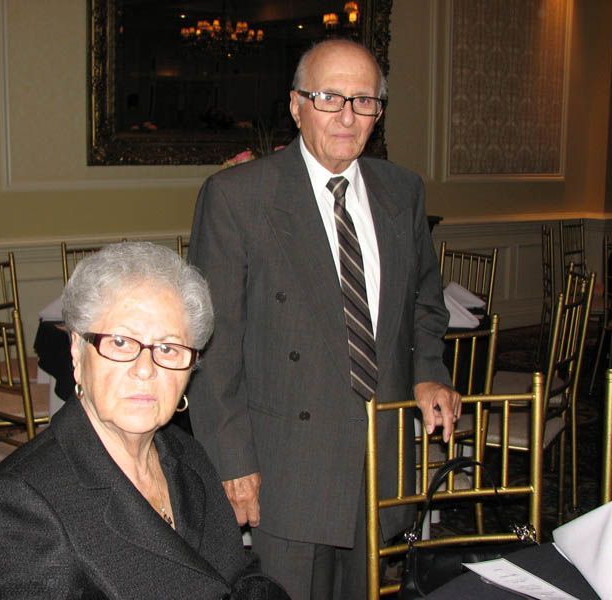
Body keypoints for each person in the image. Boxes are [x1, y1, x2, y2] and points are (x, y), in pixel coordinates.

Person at [187, 39, 461, 599]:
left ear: (378, 113)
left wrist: (428, 369)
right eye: (329, 97)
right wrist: (232, 458)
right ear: (296, 105)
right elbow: (212, 344)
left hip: (377, 447)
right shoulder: (238, 196)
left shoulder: (402, 190)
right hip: (286, 459)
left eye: (364, 101)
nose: (346, 115)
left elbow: (424, 300)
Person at [0, 242, 289, 599]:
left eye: (168, 348)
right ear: (77, 354)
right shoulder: (16, 509)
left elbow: (236, 575)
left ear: (190, 369)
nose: (145, 369)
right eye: (120, 342)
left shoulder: (186, 454)